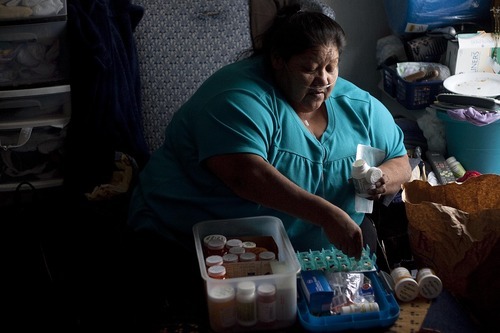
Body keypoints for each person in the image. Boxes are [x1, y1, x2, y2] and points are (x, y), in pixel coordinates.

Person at [125, 4, 411, 330]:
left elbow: (401, 159)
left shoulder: (357, 106)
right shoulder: (237, 97)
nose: (323, 79)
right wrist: (327, 214)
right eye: (309, 68)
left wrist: (381, 177)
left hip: (312, 257)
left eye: (331, 67)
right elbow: (246, 176)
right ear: (278, 61)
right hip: (214, 251)